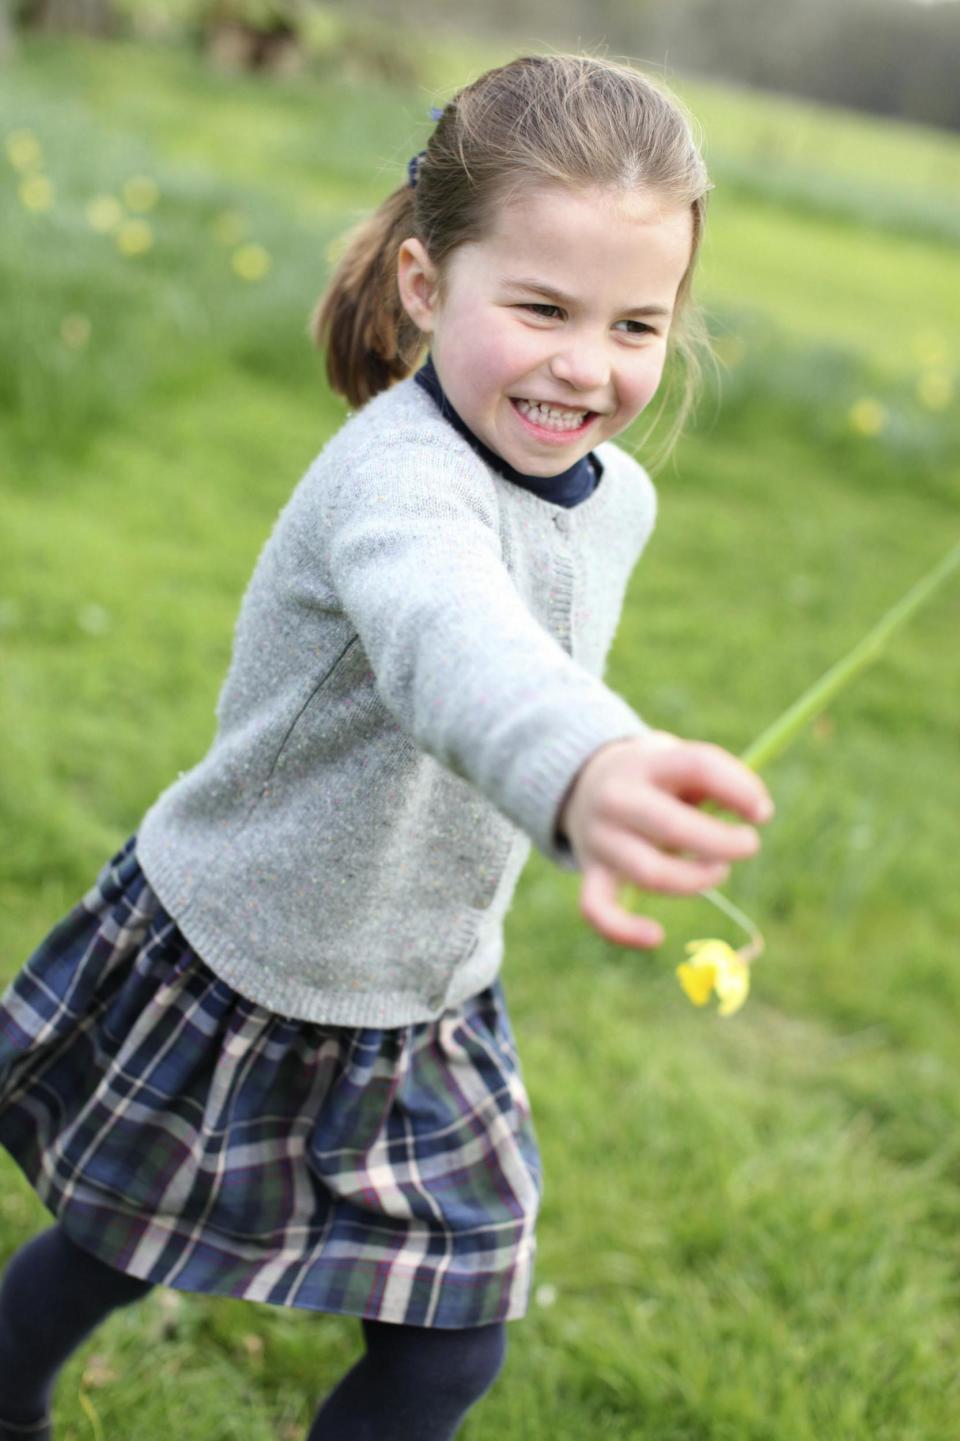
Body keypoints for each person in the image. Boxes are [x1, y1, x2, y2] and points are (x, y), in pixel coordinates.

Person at [0, 52, 774, 1441]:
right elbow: (450, 640)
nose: (586, 366)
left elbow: (532, 648)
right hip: (241, 954)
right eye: (541, 307)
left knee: (448, 1349)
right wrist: (585, 769)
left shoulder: (621, 499)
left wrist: (604, 759)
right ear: (426, 285)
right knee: (116, 1246)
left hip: (425, 990)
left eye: (636, 324)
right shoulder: (394, 477)